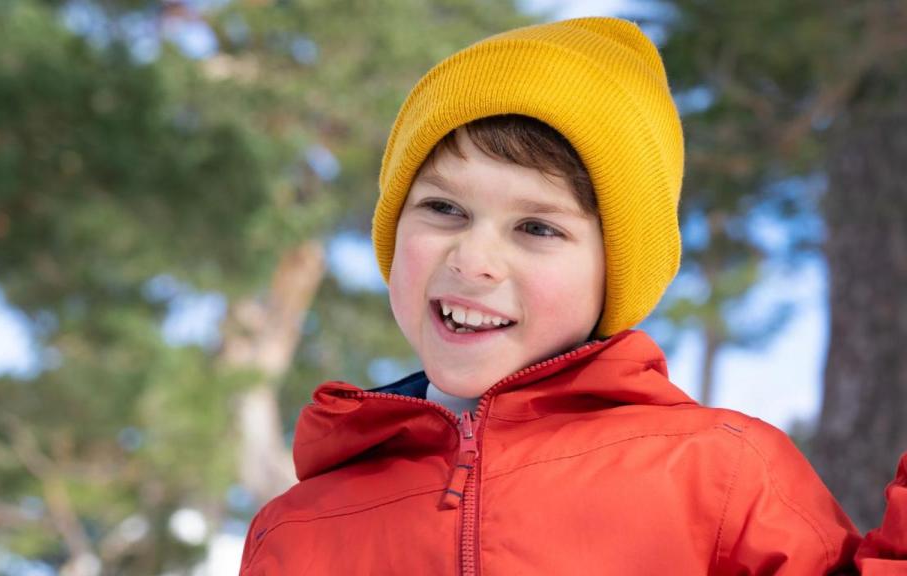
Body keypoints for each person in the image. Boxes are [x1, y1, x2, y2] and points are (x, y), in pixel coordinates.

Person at [239, 17, 907, 574]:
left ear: (614, 270)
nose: (472, 260)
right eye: (444, 208)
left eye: (536, 227)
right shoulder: (297, 530)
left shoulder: (723, 475)